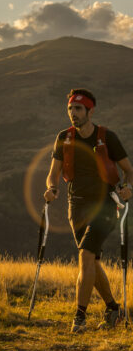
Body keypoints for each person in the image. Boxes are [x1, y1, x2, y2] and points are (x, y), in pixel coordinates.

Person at [44, 89, 133, 333]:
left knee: (85, 256)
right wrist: (51, 189)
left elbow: (128, 170)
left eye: (78, 109)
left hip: (105, 203)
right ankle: (113, 308)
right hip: (76, 205)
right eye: (70, 109)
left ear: (90, 111)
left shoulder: (107, 137)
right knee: (92, 260)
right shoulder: (64, 137)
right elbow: (53, 174)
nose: (73, 113)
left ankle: (79, 318)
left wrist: (128, 188)